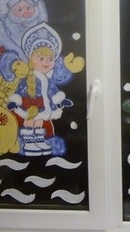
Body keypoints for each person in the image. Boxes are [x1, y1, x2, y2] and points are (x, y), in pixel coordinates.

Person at [8, 22, 83, 156]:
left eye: (50, 58)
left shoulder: (48, 79)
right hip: (30, 105)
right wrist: (15, 101)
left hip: (43, 106)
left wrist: (61, 100)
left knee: (39, 122)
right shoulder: (27, 77)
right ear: (31, 59)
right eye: (41, 58)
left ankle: (39, 140)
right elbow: (19, 91)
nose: (46, 62)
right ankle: (29, 142)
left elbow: (53, 91)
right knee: (30, 121)